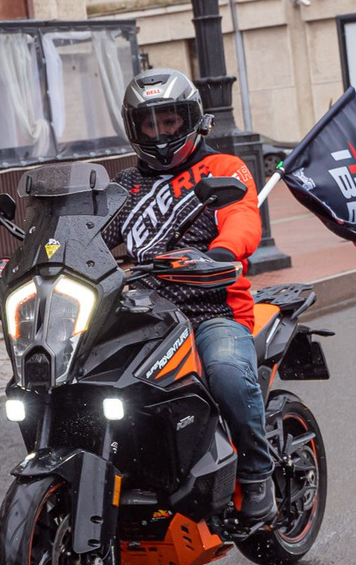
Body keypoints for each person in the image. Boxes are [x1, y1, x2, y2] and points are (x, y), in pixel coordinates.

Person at [104, 69, 277, 524]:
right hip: (145, 317)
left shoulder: (222, 169)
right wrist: (40, 258)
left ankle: (258, 475)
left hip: (212, 311)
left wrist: (219, 254)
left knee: (224, 372)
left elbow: (242, 218)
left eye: (170, 122)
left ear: (192, 121)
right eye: (149, 124)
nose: (160, 133)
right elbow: (88, 233)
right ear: (134, 127)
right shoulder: (124, 187)